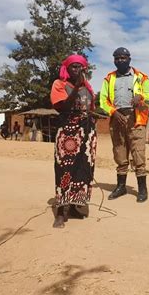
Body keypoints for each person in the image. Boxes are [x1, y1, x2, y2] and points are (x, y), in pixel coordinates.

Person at [100, 47, 149, 203]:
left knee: (138, 153)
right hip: (116, 117)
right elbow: (103, 100)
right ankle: (121, 187)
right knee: (119, 151)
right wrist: (113, 112)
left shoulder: (141, 77)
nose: (120, 61)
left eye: (123, 58)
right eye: (117, 58)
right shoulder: (109, 78)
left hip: (135, 118)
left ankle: (142, 189)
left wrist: (141, 97)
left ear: (129, 59)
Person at [50, 54, 97, 228]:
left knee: (83, 170)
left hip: (87, 133)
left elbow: (89, 108)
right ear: (67, 69)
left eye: (80, 67)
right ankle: (61, 212)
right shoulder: (59, 84)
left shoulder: (88, 87)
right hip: (68, 133)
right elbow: (62, 107)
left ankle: (76, 206)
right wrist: (76, 88)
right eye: (74, 67)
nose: (77, 70)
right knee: (64, 169)